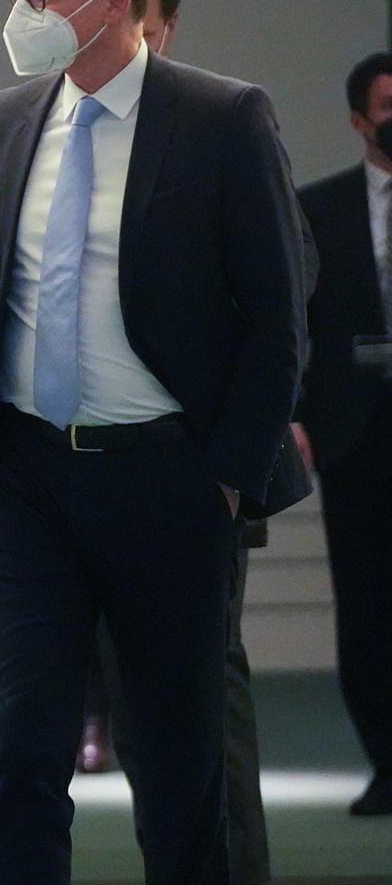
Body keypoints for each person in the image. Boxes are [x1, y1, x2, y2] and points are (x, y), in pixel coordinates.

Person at [0, 0, 308, 885]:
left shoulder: (221, 118)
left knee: (176, 763)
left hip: (166, 478)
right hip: (27, 480)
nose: (22, 12)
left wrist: (224, 478)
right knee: (21, 750)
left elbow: (276, 315)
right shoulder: (2, 119)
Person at [71, 0, 275, 884]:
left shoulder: (221, 120)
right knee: (143, 709)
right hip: (87, 474)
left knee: (199, 714)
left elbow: (284, 297)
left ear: (156, 22)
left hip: (191, 474)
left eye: (141, 28)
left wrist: (227, 471)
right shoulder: (49, 126)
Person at [293, 50, 392, 817]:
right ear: (360, 120)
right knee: (363, 605)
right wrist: (294, 415)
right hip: (353, 433)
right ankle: (387, 761)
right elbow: (290, 322)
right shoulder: (318, 208)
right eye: (386, 105)